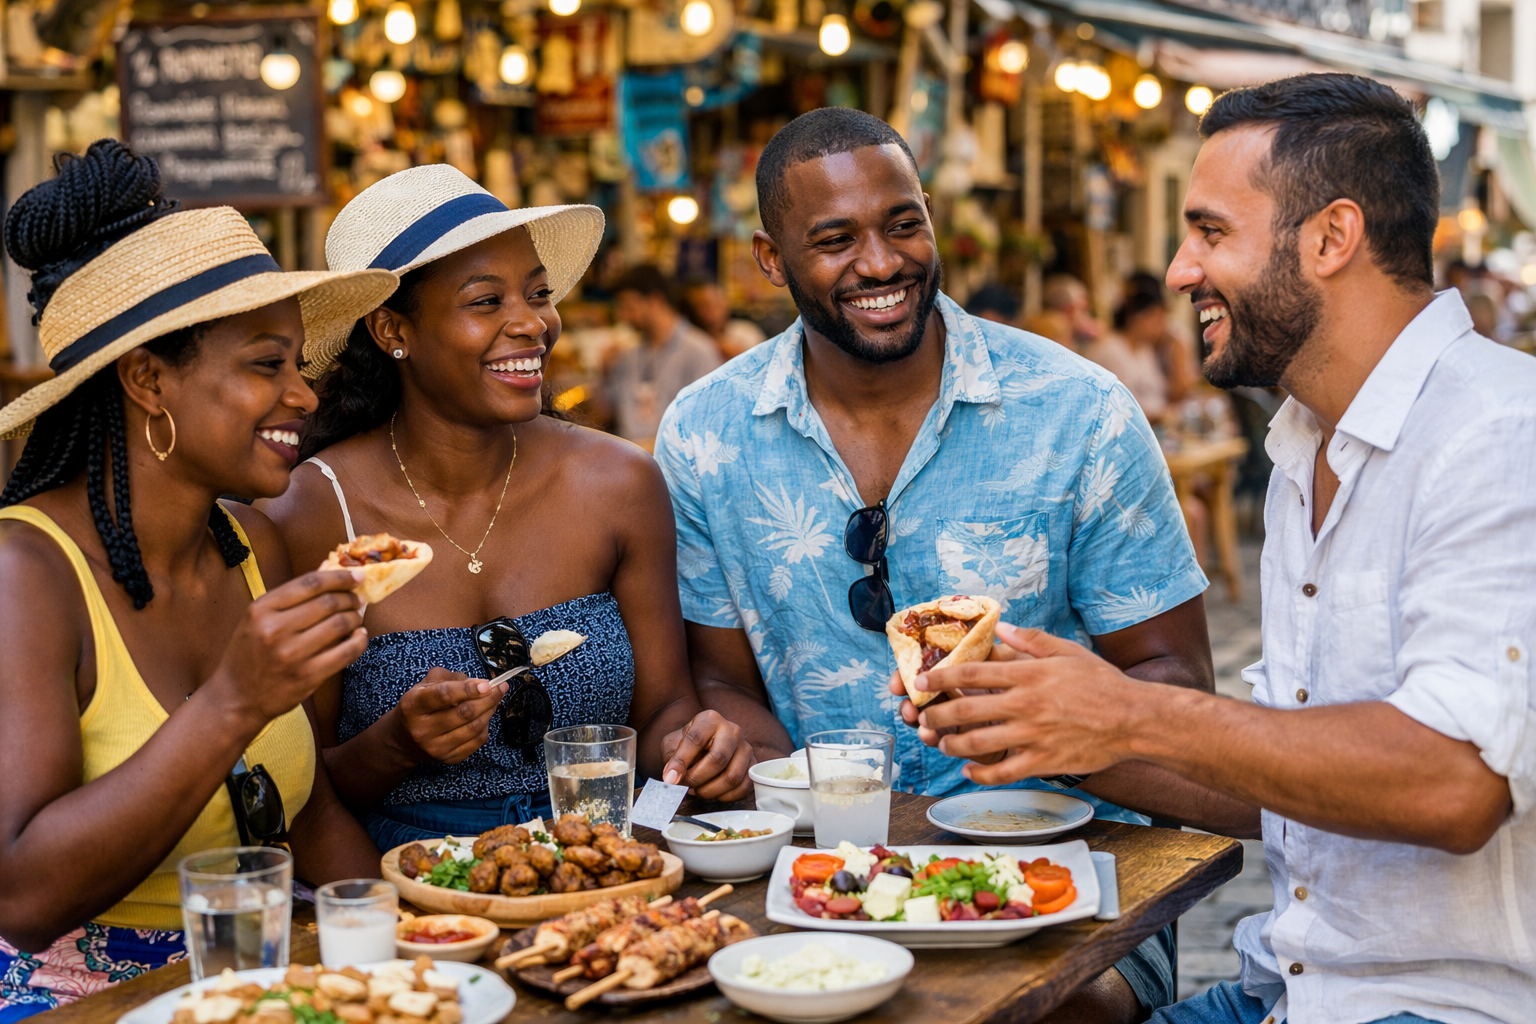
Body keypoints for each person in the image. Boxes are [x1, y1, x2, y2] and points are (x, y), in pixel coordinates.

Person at [899, 74, 1536, 1024]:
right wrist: (1037, 721)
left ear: (1331, 237)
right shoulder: (1303, 447)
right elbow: (1275, 780)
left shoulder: (1497, 431)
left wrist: (1130, 714)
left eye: (1210, 232)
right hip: (1285, 995)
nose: (1179, 269)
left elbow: (1455, 782)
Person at [654, 107, 1214, 1024]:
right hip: (819, 886)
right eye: (834, 240)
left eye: (902, 224)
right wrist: (745, 756)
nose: (880, 263)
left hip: (1066, 881)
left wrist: (1053, 724)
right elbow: (722, 678)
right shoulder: (707, 436)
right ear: (770, 259)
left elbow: (1180, 682)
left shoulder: (1079, 412)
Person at [261, 166, 787, 853]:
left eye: (538, 293)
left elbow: (663, 709)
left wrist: (699, 749)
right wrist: (397, 746)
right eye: (486, 302)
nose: (533, 322)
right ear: (394, 328)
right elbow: (302, 800)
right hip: (414, 894)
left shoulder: (618, 482)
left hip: (603, 870)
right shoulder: (311, 513)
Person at [0, 141, 395, 1017]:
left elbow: (310, 813)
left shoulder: (250, 545)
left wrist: (411, 956)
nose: (303, 395)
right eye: (266, 364)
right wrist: (232, 702)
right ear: (148, 379)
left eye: (299, 364)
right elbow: (24, 898)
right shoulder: (23, 575)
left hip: (269, 981)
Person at [604, 266, 722, 447]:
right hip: (628, 459)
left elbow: (707, 426)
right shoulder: (628, 353)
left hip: (670, 465)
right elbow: (605, 413)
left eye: (629, 306)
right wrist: (604, 372)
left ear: (655, 300)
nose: (624, 316)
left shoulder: (699, 351)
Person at [1085, 290, 1177, 424]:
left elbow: (1158, 393)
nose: (1162, 326)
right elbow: (1121, 408)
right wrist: (1162, 417)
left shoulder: (1145, 350)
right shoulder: (1110, 350)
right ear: (1136, 318)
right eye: (1157, 319)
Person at [681, 277, 767, 360]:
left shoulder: (747, 332)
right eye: (702, 305)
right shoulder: (689, 342)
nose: (712, 309)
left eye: (715, 301)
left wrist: (742, 356)